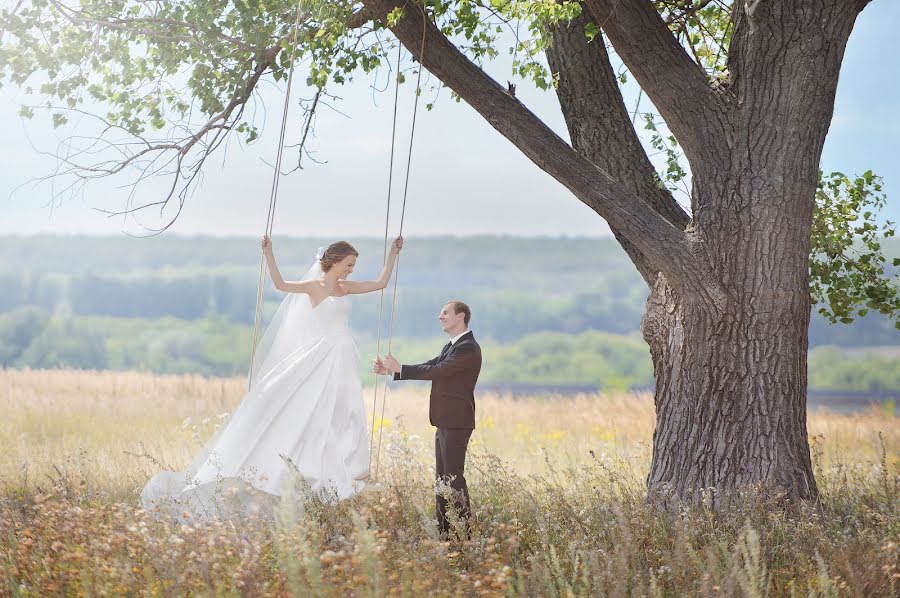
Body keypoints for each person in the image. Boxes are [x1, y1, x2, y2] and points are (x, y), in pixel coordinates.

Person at [140, 235, 403, 522]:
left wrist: (393, 253)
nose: (351, 269)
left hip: (343, 357)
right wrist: (269, 254)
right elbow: (280, 285)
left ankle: (343, 467)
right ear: (335, 261)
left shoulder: (346, 288)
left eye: (353, 265)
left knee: (344, 410)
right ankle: (286, 465)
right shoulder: (314, 287)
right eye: (349, 264)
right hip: (322, 354)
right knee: (306, 405)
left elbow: (380, 282)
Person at [374, 301, 481, 538]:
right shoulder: (453, 346)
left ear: (460, 316)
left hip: (456, 422)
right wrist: (394, 370)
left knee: (453, 481)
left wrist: (400, 367)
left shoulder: (467, 348)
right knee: (442, 481)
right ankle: (445, 534)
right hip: (445, 421)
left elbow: (439, 371)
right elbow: (432, 365)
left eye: (445, 313)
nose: (439, 316)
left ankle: (466, 537)